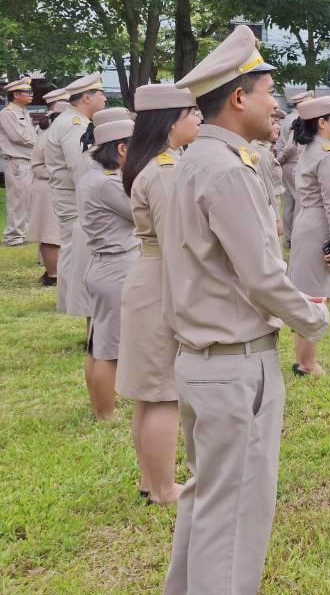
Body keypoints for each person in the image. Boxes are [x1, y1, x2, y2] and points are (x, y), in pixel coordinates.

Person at [164, 24, 329, 595]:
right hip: (235, 364)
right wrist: (313, 317)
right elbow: (261, 274)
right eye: (267, 91)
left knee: (208, 503)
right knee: (235, 519)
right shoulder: (228, 170)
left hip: (200, 359)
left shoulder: (191, 160)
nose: (276, 103)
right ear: (238, 98)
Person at [118, 84, 200, 505]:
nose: (198, 119)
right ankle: (165, 488)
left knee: (150, 394)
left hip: (150, 280)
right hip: (162, 281)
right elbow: (177, 244)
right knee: (164, 392)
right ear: (169, 120)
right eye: (191, 112)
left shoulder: (156, 164)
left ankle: (153, 482)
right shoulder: (166, 171)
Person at [285, 95, 330, 376]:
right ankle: (307, 364)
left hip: (306, 221)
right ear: (322, 123)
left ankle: (304, 359)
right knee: (314, 297)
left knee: (308, 294)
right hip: (320, 224)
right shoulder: (325, 155)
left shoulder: (310, 150)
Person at [80, 113, 137, 420]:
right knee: (108, 350)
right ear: (121, 149)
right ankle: (106, 412)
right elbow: (141, 215)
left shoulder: (94, 177)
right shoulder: (107, 184)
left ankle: (100, 406)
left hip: (105, 265)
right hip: (115, 267)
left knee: (98, 343)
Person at [45, 74, 107, 323]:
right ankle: (72, 302)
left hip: (69, 192)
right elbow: (79, 165)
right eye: (100, 94)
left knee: (72, 247)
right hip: (74, 194)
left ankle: (69, 300)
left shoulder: (73, 120)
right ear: (86, 98)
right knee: (75, 249)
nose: (104, 99)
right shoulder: (74, 125)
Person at [29, 88, 68, 286]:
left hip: (51, 185)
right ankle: (52, 275)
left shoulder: (51, 132)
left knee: (54, 233)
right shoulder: (52, 135)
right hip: (49, 187)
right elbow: (41, 167)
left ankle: (53, 272)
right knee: (51, 234)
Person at [0, 76, 37, 246]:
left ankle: (23, 234)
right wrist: (41, 143)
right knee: (18, 199)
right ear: (16, 94)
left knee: (28, 198)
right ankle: (13, 236)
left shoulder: (23, 112)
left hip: (27, 160)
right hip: (17, 161)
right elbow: (18, 136)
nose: (31, 94)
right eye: (27, 92)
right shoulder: (7, 113)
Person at [276, 88, 313, 244]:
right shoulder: (298, 119)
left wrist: (280, 160)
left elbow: (280, 143)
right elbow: (291, 145)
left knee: (290, 203)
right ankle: (296, 237)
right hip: (293, 163)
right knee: (300, 201)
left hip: (287, 164)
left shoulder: (287, 119)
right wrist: (281, 159)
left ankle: (290, 238)